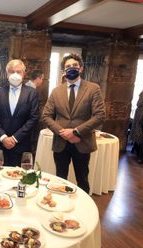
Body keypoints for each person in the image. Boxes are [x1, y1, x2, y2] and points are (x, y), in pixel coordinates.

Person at [42, 54, 105, 193]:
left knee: (82, 179)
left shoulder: (93, 89)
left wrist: (76, 132)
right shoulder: (56, 91)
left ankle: (83, 211)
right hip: (61, 142)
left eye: (75, 66)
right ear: (63, 71)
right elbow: (46, 116)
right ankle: (61, 207)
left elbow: (99, 115)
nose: (71, 68)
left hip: (82, 142)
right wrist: (62, 132)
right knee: (60, 179)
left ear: (81, 68)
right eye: (68, 66)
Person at [0, 59, 40, 166]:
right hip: (0, 146)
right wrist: (3, 138)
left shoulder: (32, 93)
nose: (15, 74)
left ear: (24, 73)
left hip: (21, 146)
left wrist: (14, 138)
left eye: (19, 71)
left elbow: (33, 118)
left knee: (20, 179)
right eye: (12, 71)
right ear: (7, 74)